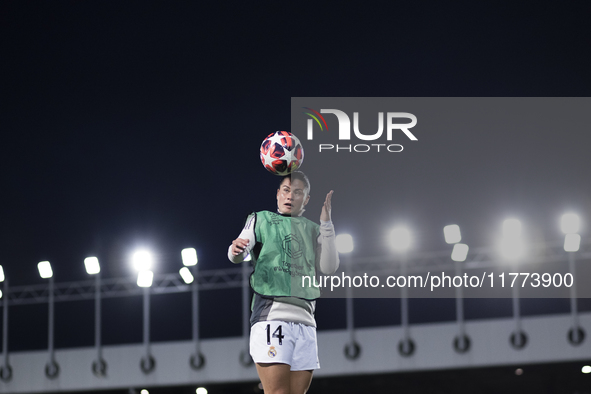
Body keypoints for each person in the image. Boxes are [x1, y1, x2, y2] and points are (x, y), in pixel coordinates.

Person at [228, 171, 339, 394]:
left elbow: (329, 267)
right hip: (272, 316)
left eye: (298, 193)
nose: (290, 196)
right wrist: (235, 250)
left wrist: (326, 224)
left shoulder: (313, 229)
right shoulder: (260, 219)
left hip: (306, 321)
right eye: (286, 190)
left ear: (306, 199)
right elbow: (238, 253)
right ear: (278, 193)